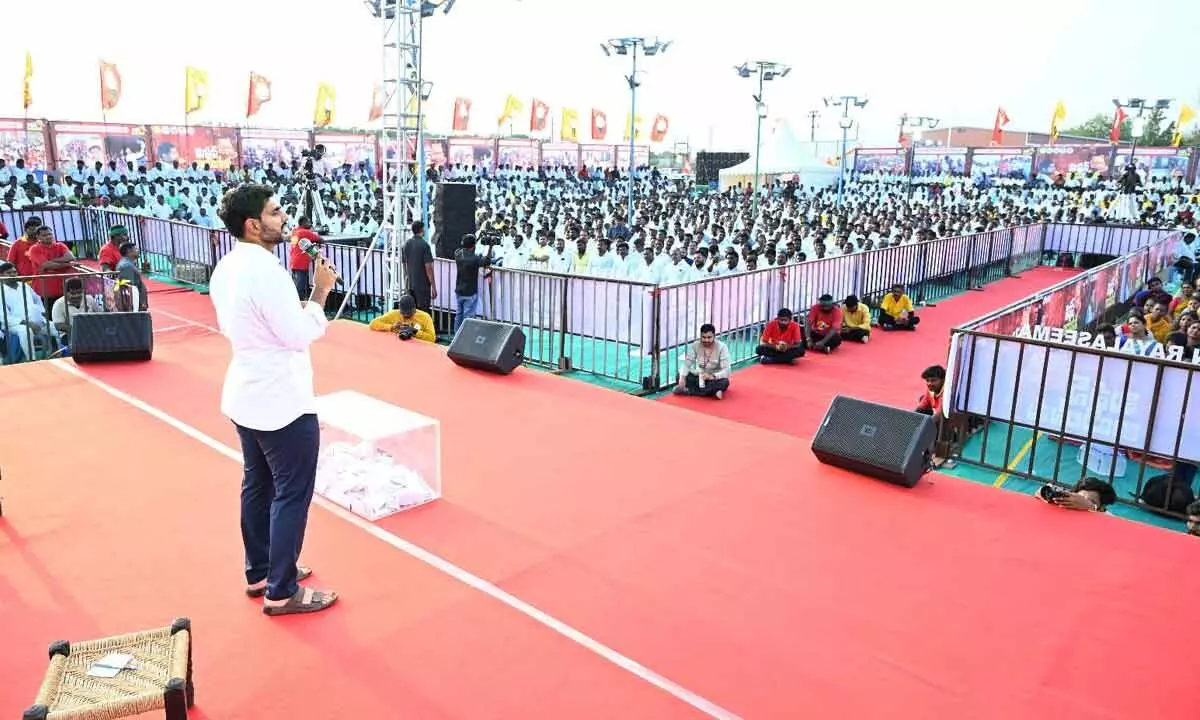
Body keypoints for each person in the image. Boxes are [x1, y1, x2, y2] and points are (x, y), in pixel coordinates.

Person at [210, 183, 340, 617]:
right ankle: (281, 589)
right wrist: (320, 293)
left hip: (246, 393)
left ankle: (261, 571)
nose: (284, 218)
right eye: (275, 212)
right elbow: (297, 335)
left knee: (258, 484)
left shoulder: (226, 267)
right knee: (291, 492)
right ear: (253, 225)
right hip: (281, 401)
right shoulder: (267, 272)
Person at [675, 323, 731, 399]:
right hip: (700, 377)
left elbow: (727, 371)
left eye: (709, 337)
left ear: (714, 336)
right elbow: (686, 364)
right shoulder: (695, 345)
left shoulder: (722, 347)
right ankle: (713, 392)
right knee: (679, 375)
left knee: (725, 382)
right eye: (703, 337)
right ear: (700, 336)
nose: (706, 340)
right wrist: (682, 378)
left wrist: (712, 376)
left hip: (714, 379)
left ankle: (689, 391)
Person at [453, 233, 493, 333]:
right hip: (470, 292)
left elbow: (465, 248)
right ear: (473, 246)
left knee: (458, 315)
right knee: (468, 318)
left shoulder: (458, 254)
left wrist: (477, 239)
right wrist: (490, 247)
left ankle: (456, 335)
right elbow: (486, 261)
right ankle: (466, 337)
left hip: (459, 291)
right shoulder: (474, 259)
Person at [368, 293, 435, 342]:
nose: (406, 316)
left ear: (414, 307)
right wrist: (392, 327)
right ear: (399, 308)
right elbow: (373, 323)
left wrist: (415, 331)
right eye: (403, 313)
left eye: (409, 314)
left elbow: (432, 338)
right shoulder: (394, 314)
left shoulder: (425, 317)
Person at [402, 220, 437, 313]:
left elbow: (404, 265)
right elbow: (429, 268)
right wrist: (433, 286)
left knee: (412, 311)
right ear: (421, 229)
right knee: (423, 312)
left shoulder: (406, 244)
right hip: (423, 286)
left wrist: (407, 280)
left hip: (411, 284)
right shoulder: (424, 245)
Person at [1036, 477, 1117, 512]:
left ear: (1102, 508)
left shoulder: (1109, 520)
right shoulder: (1064, 505)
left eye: (1090, 501)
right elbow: (1039, 492)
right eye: (1080, 497)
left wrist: (1091, 507)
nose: (1080, 502)